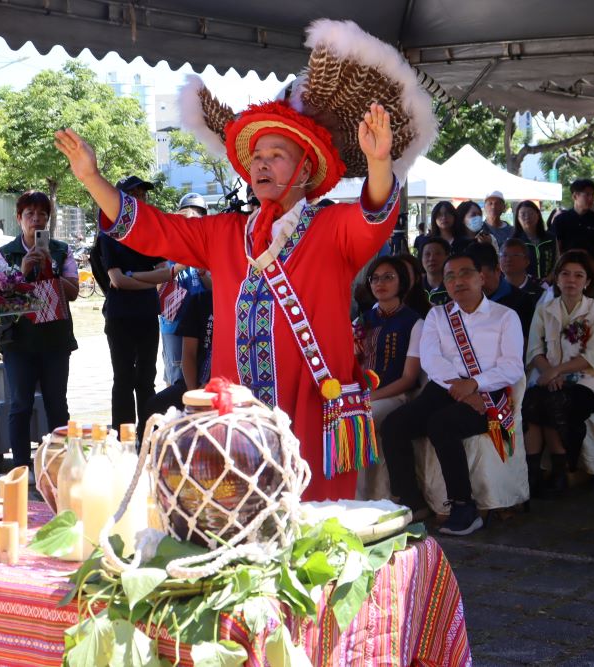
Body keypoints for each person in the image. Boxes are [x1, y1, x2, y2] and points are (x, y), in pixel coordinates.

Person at [56, 55, 433, 501]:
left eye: (277, 155)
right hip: (241, 413)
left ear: (306, 170)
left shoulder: (332, 229)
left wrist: (379, 161)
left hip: (312, 404)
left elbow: (374, 216)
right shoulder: (226, 232)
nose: (262, 164)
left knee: (314, 524)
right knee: (242, 518)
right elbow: (158, 230)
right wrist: (93, 179)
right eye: (257, 156)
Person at [381, 253, 524, 535]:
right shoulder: (438, 315)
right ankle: (411, 500)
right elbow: (431, 360)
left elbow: (512, 367)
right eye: (450, 276)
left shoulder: (505, 316)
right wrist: (459, 387)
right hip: (444, 388)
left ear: (481, 277)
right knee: (394, 425)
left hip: (490, 396)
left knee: (442, 424)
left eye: (465, 273)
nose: (458, 281)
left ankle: (464, 507)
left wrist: (475, 385)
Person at [0, 190, 79, 469]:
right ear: (19, 218)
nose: (36, 219)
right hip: (18, 340)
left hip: (55, 339)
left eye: (42, 214)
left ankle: (60, 465)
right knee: (20, 404)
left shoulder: (62, 250)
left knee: (57, 404)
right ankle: (20, 467)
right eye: (30, 214)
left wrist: (51, 272)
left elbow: (74, 291)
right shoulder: (5, 254)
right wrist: (21, 272)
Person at [523, 251, 594, 494]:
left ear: (587, 282)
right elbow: (534, 349)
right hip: (549, 377)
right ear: (556, 278)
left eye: (578, 275)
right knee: (531, 403)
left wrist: (557, 372)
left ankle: (561, 472)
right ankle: (531, 474)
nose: (571, 280)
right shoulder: (545, 310)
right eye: (565, 274)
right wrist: (550, 373)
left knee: (555, 402)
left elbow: (592, 356)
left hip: (588, 381)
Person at [99, 175, 168, 437]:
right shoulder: (109, 234)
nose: (140, 199)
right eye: (134, 194)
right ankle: (123, 439)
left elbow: (165, 274)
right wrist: (146, 279)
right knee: (124, 379)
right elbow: (116, 280)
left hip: (148, 313)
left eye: (143, 194)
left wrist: (135, 277)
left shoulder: (151, 233)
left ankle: (148, 437)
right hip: (120, 316)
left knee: (147, 380)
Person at [353, 257, 424, 499]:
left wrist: (370, 397)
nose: (380, 283)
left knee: (359, 419)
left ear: (401, 283)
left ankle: (359, 499)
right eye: (375, 278)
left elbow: (408, 378)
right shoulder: (363, 321)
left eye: (388, 277)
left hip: (396, 395)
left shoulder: (414, 322)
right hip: (360, 395)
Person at [146, 269, 214, 417]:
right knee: (154, 405)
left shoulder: (237, 305)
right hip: (173, 326)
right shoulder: (199, 302)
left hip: (225, 383)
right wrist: (194, 396)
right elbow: (188, 355)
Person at [158, 193, 207, 385]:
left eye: (199, 215)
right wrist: (178, 266)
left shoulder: (206, 248)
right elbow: (159, 289)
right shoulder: (167, 249)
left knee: (202, 374)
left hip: (202, 327)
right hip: (174, 326)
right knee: (177, 380)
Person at [466, 241, 536, 339]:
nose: (477, 281)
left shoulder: (522, 301)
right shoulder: (463, 301)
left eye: (481, 277)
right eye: (470, 275)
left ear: (497, 270)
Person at [550, 179, 594, 257]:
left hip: (591, 265)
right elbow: (557, 247)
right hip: (566, 264)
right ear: (575, 196)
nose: (591, 198)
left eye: (593, 195)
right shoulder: (560, 220)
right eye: (587, 194)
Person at [512, 200, 557, 283]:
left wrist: (550, 277)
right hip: (523, 286)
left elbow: (557, 260)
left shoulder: (550, 238)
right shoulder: (514, 241)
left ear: (538, 215)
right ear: (517, 218)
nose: (527, 217)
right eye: (523, 214)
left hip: (549, 285)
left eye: (531, 213)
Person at [499, 238, 544, 302]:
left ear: (527, 261)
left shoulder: (540, 287)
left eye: (515, 255)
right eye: (504, 255)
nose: (508, 259)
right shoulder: (493, 287)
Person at [395, 253, 433, 318]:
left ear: (417, 278)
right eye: (393, 273)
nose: (398, 277)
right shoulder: (378, 309)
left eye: (405, 273)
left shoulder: (432, 312)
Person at [420, 237, 452, 306]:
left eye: (438, 254)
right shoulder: (415, 287)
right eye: (427, 254)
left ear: (447, 257)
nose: (431, 258)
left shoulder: (453, 287)